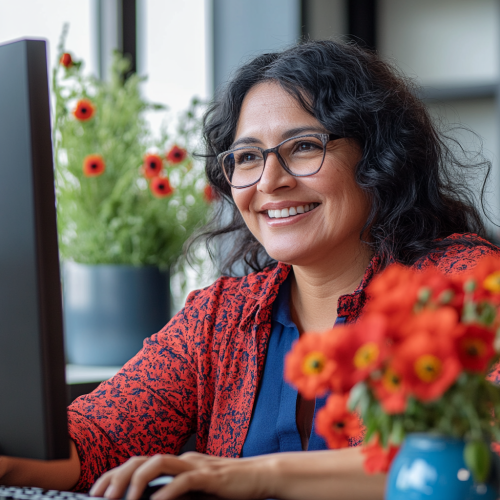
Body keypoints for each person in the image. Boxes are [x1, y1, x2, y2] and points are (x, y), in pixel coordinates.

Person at [1, 40, 499, 500]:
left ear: (378, 156)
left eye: (304, 146)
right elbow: (94, 442)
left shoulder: (463, 285)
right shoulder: (220, 318)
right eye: (246, 157)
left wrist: (258, 474)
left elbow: (476, 459)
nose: (270, 181)